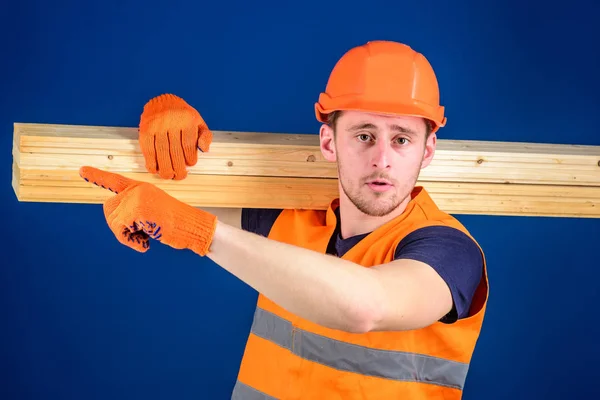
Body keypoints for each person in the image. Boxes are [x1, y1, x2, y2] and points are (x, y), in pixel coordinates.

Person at [79, 40, 488, 399]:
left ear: (427, 150)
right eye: (364, 135)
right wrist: (160, 143)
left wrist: (201, 233)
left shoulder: (448, 250)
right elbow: (156, 202)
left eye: (402, 139)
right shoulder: (287, 224)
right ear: (329, 142)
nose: (382, 158)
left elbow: (366, 306)